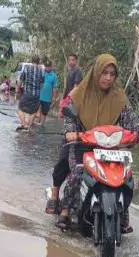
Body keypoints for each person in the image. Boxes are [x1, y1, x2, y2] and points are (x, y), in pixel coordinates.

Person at [58, 54, 139, 232]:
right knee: (78, 172)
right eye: (104, 73)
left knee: (126, 178)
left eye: (112, 74)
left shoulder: (119, 97)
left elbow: (130, 118)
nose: (108, 78)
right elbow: (69, 118)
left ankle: (122, 215)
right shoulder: (78, 94)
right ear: (96, 72)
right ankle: (65, 210)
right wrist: (70, 132)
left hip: (109, 147)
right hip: (82, 144)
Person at [45, 53, 86, 214]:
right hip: (75, 136)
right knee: (64, 158)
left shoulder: (107, 100)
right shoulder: (77, 97)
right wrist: (64, 106)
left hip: (95, 141)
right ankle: (55, 195)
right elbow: (70, 93)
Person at [16, 55, 44, 131]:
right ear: (38, 61)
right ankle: (29, 126)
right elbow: (42, 83)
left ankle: (24, 125)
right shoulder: (41, 70)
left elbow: (21, 80)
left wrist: (18, 89)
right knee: (33, 110)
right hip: (36, 95)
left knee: (20, 108)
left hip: (27, 93)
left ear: (32, 61)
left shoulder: (26, 68)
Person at [37, 60, 58, 125]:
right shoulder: (41, 73)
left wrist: (54, 97)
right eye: (46, 66)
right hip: (39, 95)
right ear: (45, 66)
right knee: (38, 110)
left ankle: (42, 124)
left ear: (51, 66)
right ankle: (37, 122)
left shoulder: (54, 75)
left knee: (44, 112)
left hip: (47, 97)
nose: (47, 68)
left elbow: (54, 87)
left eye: (49, 66)